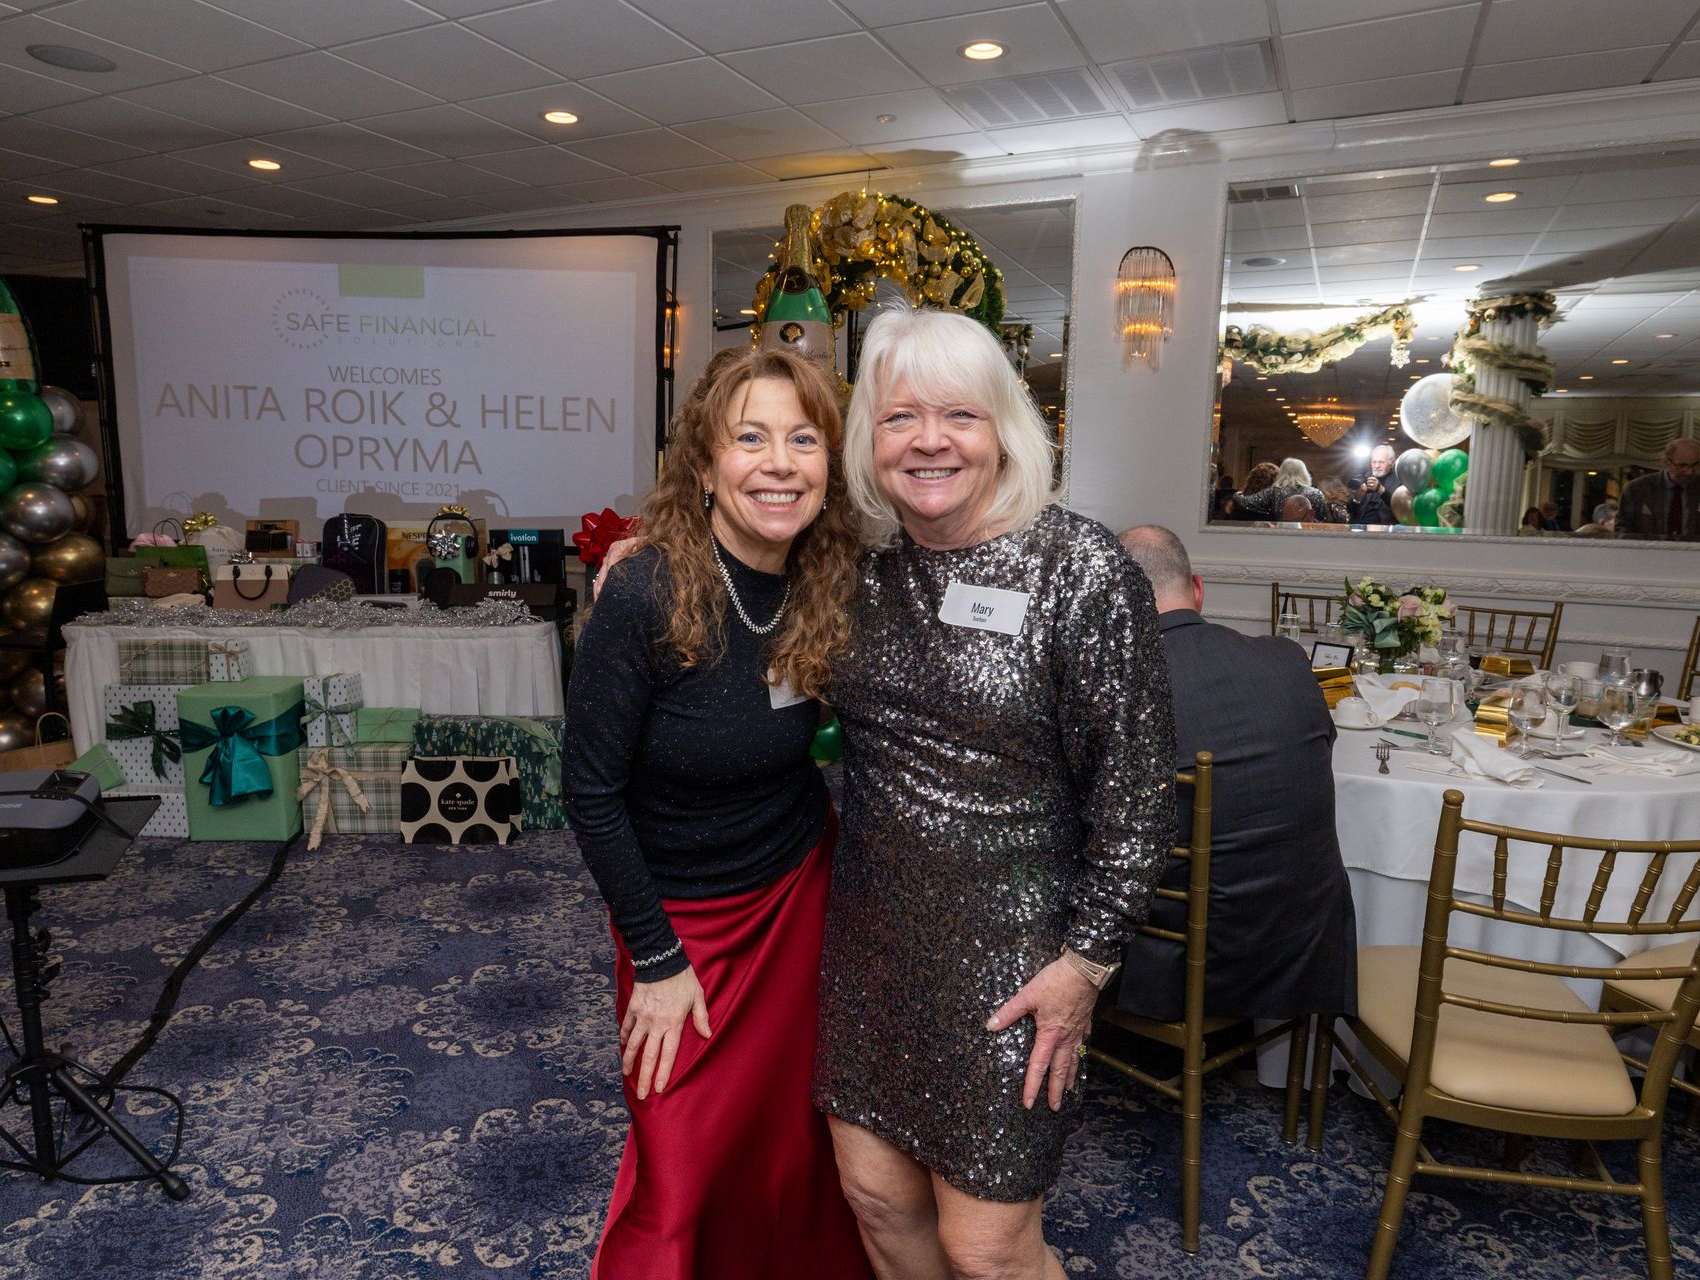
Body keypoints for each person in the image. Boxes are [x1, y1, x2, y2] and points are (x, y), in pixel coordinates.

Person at [816, 303, 1175, 1280]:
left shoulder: (1082, 570)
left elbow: (1139, 795)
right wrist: (644, 561)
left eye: (960, 415)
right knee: (879, 1200)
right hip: (873, 946)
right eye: (900, 417)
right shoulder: (858, 568)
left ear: (1005, 427)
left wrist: (1086, 964)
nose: (930, 439)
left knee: (987, 1247)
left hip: (1016, 961)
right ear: (870, 441)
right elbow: (737, 562)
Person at [563, 347, 872, 1279]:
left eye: (803, 439)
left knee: (794, 1148)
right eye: (750, 438)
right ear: (704, 465)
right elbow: (589, 792)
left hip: (795, 901)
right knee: (683, 1169)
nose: (779, 463)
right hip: (680, 924)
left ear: (830, 464)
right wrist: (655, 959)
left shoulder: (835, 584)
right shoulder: (648, 591)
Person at [1112, 525, 1358, 1024]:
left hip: (1186, 959)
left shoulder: (1122, 685)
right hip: (1304, 940)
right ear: (1197, 590)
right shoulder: (1288, 659)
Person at [1615, 438, 1700, 540]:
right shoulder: (1637, 489)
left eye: (1695, 465)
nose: (1689, 472)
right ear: (1666, 462)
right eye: (1682, 465)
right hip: (1648, 558)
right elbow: (1623, 529)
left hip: (1697, 559)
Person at [1267, 457, 1330, 522]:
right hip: (1309, 531)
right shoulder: (1316, 493)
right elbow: (1324, 521)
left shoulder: (1272, 493)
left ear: (1282, 472)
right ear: (1304, 472)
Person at [1348, 444, 1397, 524]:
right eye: (1374, 462)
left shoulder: (1397, 481)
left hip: (1384, 530)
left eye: (1381, 462)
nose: (1376, 466)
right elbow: (1350, 510)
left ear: (1391, 464)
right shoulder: (1365, 478)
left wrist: (1382, 491)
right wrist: (1356, 499)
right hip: (1359, 528)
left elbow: (1400, 506)